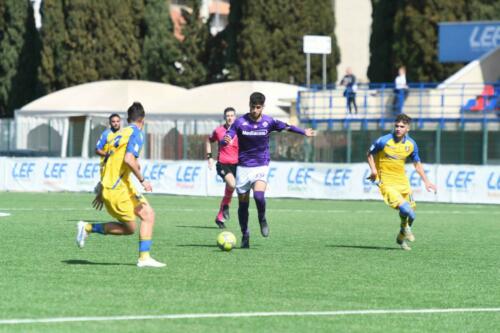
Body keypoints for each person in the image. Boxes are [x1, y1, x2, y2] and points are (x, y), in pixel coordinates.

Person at [76, 102, 165, 268]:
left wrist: (102, 188)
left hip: (118, 186)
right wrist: (143, 180)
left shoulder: (120, 133)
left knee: (146, 216)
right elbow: (128, 159)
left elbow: (111, 162)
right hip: (117, 190)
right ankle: (88, 227)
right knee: (133, 226)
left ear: (127, 119)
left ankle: (144, 257)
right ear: (142, 120)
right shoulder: (137, 133)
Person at [223, 92, 315, 248]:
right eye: (252, 107)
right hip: (244, 168)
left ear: (262, 107)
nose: (254, 110)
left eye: (258, 107)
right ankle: (245, 234)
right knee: (243, 205)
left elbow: (287, 127)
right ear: (249, 105)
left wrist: (303, 132)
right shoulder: (240, 122)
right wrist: (227, 138)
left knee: (259, 197)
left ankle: (262, 218)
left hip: (261, 165)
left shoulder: (269, 122)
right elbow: (230, 132)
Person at [367, 113, 436, 250]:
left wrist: (427, 181)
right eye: (396, 126)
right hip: (386, 182)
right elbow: (369, 153)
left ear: (407, 129)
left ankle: (400, 236)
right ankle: (406, 229)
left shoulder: (411, 144)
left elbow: (417, 164)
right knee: (405, 209)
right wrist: (374, 170)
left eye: (402, 126)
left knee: (412, 214)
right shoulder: (384, 140)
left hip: (403, 183)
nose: (398, 128)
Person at [206, 107, 239, 229]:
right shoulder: (219, 131)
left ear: (235, 117)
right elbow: (209, 141)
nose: (230, 117)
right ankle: (226, 207)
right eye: (228, 115)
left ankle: (220, 217)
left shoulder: (239, 131)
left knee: (231, 189)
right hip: (222, 164)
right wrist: (209, 157)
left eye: (232, 115)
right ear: (224, 117)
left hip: (237, 165)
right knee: (232, 184)